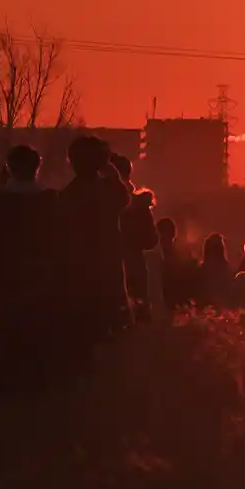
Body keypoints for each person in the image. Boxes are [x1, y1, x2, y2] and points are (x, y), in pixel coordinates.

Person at [0, 145, 58, 392]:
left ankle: (5, 374)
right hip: (39, 269)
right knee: (35, 322)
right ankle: (35, 374)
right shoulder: (49, 198)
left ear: (10, 167)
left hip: (4, 269)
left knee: (6, 322)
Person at [58, 137, 131, 362]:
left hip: (76, 269)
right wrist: (112, 173)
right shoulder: (109, 192)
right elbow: (123, 197)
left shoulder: (67, 195)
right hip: (108, 265)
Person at [110, 155, 158, 323]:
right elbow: (151, 240)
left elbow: (151, 240)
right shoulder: (139, 204)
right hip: (132, 266)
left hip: (118, 267)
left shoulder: (102, 204)